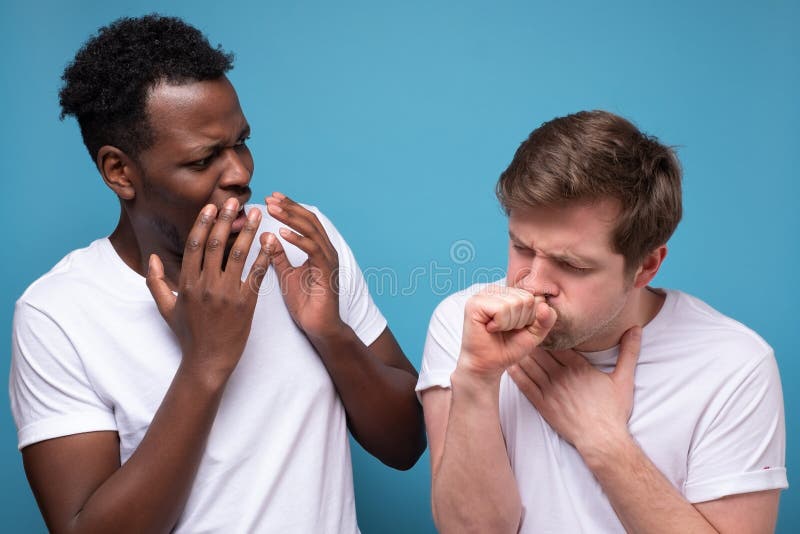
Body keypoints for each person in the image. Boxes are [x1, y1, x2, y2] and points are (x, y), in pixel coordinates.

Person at [9, 15, 425, 533]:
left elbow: (407, 444)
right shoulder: (58, 314)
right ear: (120, 172)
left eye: (241, 142)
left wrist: (331, 334)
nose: (240, 173)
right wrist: (205, 363)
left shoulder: (297, 244)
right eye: (205, 158)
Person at [417, 110, 787, 533]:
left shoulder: (734, 366)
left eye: (570, 265)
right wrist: (478, 381)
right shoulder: (467, 323)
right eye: (521, 248)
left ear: (646, 266)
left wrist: (605, 443)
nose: (534, 284)